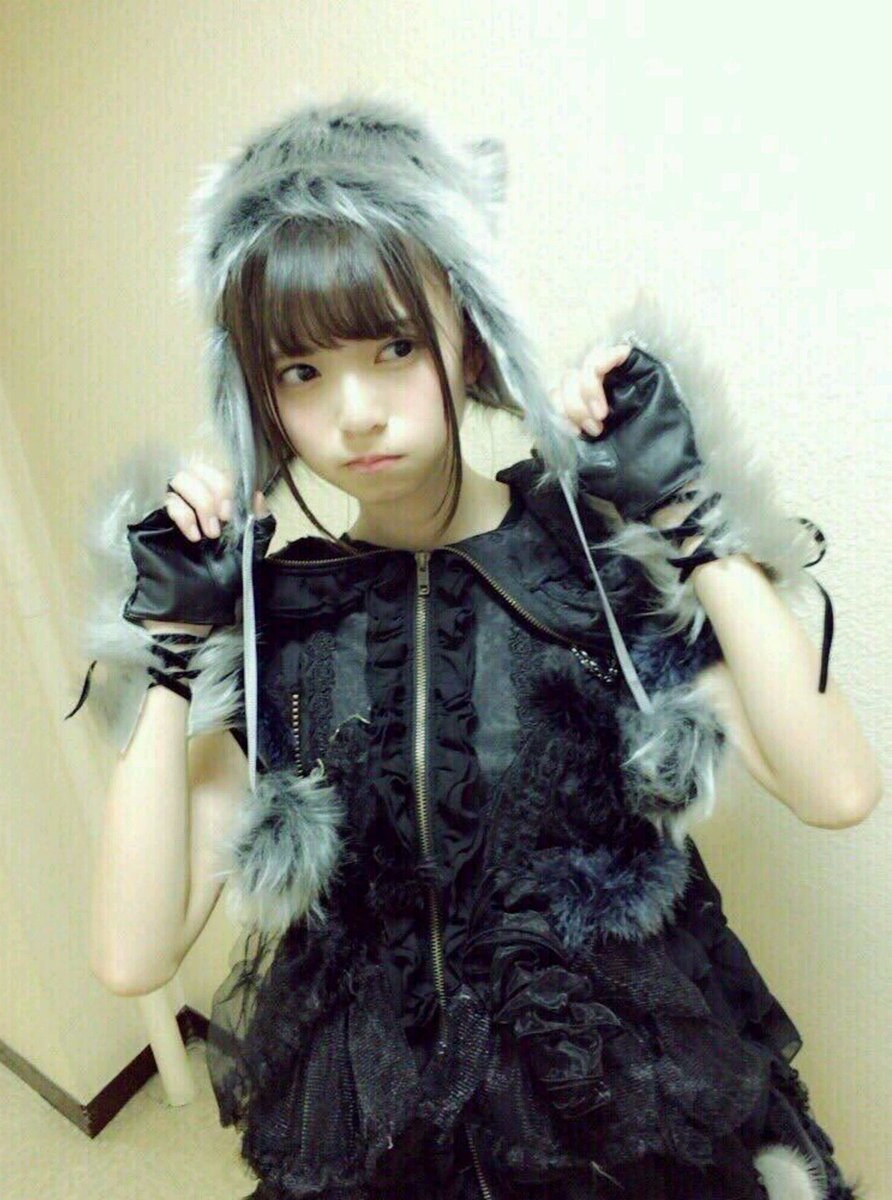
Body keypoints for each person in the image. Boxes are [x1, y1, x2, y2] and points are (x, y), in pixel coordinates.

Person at [67, 93, 879, 1200]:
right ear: (259, 395)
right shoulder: (280, 626)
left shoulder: (587, 555)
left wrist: (686, 513)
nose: (355, 411)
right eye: (301, 372)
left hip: (619, 1098)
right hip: (381, 1114)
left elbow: (836, 787)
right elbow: (133, 954)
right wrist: (171, 651)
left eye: (395, 347)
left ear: (468, 334)